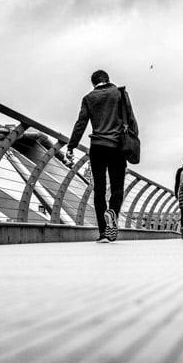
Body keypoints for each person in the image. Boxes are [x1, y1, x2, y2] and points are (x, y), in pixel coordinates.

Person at [67, 69, 138, 243]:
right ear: (107, 79)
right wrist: (133, 141)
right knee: (117, 188)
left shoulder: (89, 98)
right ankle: (113, 212)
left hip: (97, 147)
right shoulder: (120, 93)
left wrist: (71, 145)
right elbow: (131, 119)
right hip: (116, 146)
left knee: (99, 190)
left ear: (94, 83)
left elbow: (81, 123)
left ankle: (103, 233)